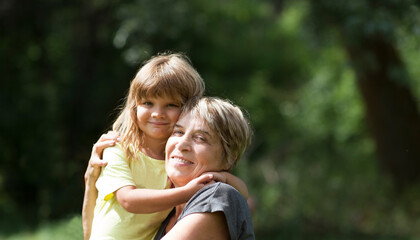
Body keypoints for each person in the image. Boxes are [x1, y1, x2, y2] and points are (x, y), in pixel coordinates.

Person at [82, 53, 248, 240]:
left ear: (187, 109)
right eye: (148, 103)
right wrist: (186, 192)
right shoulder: (118, 148)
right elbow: (128, 200)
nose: (157, 113)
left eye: (170, 105)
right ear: (134, 106)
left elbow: (240, 194)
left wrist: (222, 177)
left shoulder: (178, 162)